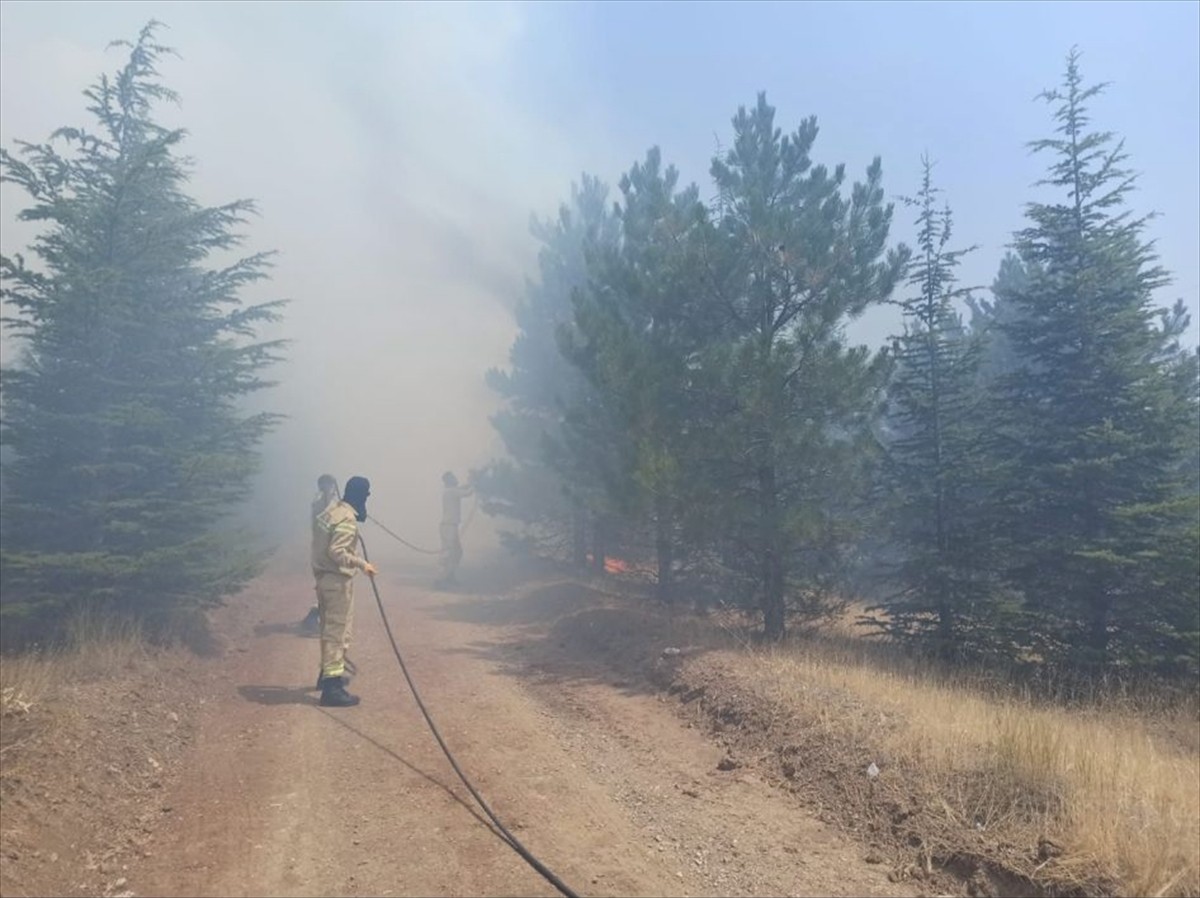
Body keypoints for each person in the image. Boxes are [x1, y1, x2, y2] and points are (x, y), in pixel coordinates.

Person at [311, 475, 377, 707]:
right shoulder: (347, 519)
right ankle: (332, 688)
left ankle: (327, 675)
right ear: (361, 495)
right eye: (366, 495)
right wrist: (362, 564)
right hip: (337, 582)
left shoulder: (332, 511)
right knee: (337, 634)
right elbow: (337, 551)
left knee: (327, 630)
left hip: (323, 579)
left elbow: (324, 541)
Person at [300, 474, 340, 634]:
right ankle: (312, 618)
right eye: (326, 485)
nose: (328, 488)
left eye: (330, 485)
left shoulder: (336, 503)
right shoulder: (319, 504)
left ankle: (319, 618)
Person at [435, 471, 474, 589]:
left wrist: (471, 482)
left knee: (457, 552)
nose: (456, 479)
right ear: (450, 481)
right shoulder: (452, 492)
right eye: (454, 478)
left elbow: (463, 488)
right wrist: (476, 484)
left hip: (450, 526)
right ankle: (440, 579)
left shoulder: (450, 491)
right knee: (447, 553)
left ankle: (449, 576)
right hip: (449, 527)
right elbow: (468, 493)